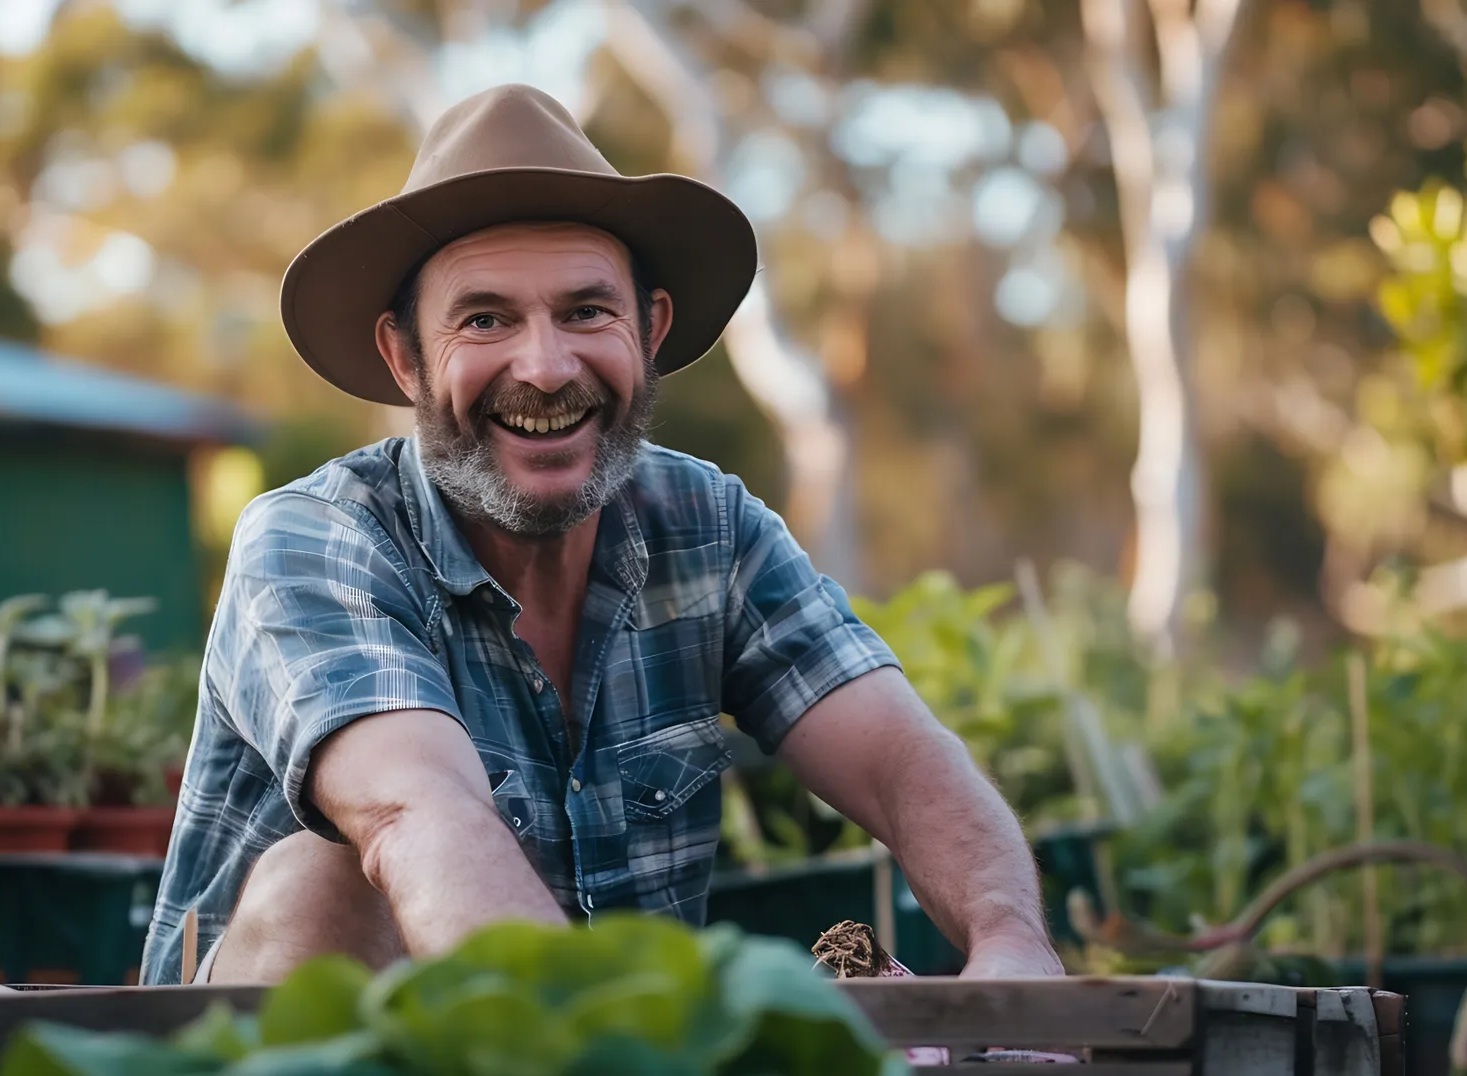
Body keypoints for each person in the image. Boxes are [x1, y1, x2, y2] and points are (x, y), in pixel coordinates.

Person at [141, 83, 1064, 984]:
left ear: (649, 330)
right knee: (326, 877)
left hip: (579, 1045)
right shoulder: (318, 540)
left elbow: (898, 757)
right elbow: (417, 815)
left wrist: (1012, 942)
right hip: (274, 1050)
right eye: (485, 319)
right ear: (404, 357)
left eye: (586, 311)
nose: (544, 369)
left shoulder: (707, 526)